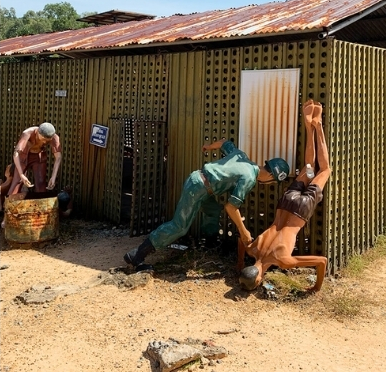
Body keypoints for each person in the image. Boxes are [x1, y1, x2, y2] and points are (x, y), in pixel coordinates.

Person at [124, 136, 290, 269]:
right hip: (198, 188)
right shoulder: (249, 178)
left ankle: (208, 243)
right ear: (270, 177)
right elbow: (231, 207)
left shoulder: (242, 157)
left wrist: (208, 147)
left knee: (213, 209)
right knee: (179, 226)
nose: (270, 184)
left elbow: (225, 142)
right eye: (273, 182)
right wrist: (244, 231)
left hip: (199, 180)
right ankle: (137, 255)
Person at [238, 100, 330, 292]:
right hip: (286, 203)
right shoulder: (252, 249)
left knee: (325, 170)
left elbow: (321, 261)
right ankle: (309, 126)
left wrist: (316, 287)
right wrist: (239, 262)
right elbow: (241, 241)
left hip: (300, 210)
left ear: (258, 280)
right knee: (309, 168)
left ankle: (319, 126)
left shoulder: (283, 261)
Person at [8, 123, 62, 196]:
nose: (45, 142)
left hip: (39, 157)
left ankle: (41, 204)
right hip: (24, 157)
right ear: (38, 133)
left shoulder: (54, 137)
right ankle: (10, 204)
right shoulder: (27, 133)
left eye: (47, 140)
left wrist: (53, 177)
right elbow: (16, 153)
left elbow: (58, 157)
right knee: (17, 181)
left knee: (40, 182)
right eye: (43, 139)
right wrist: (21, 174)